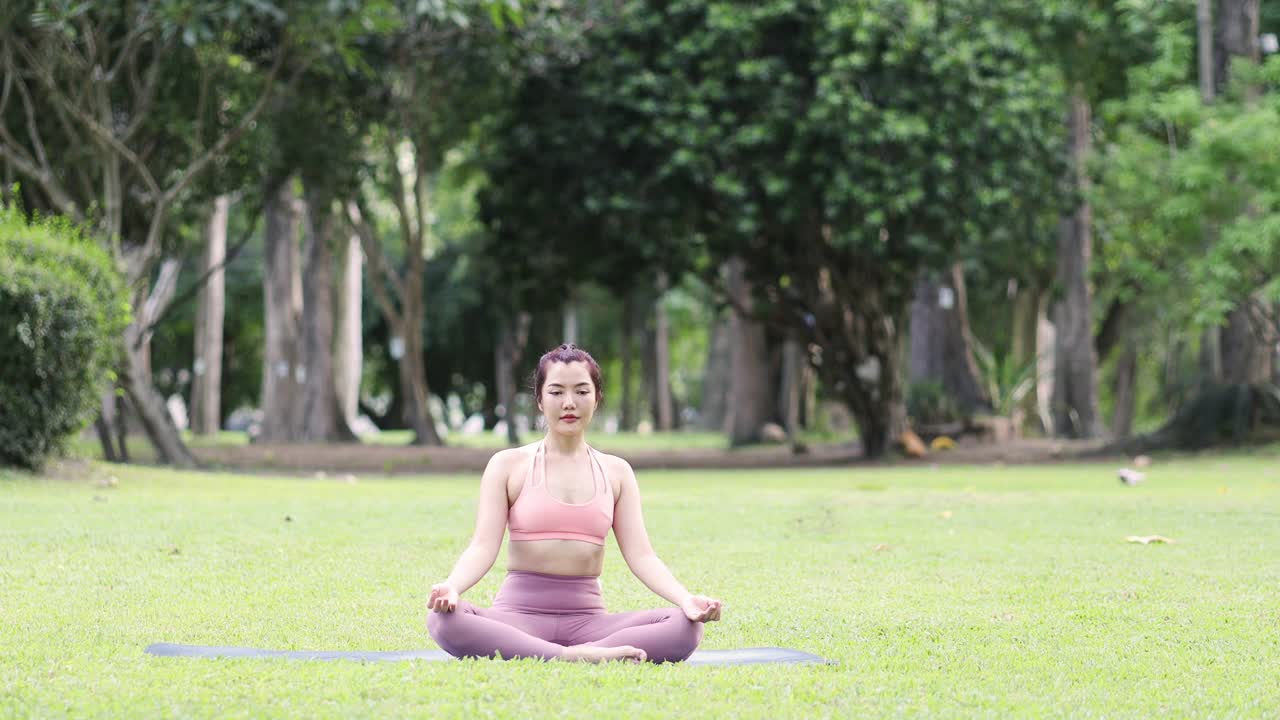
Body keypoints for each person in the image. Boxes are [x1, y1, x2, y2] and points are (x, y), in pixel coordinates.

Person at [427, 343, 722, 663]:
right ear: (540, 400)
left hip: (590, 622)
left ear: (597, 398)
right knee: (444, 619)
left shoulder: (617, 472)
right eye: (556, 392)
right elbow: (482, 547)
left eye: (582, 391)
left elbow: (641, 555)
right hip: (517, 617)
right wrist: (452, 586)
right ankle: (572, 656)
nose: (569, 403)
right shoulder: (508, 465)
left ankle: (572, 652)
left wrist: (685, 599)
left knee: (685, 627)